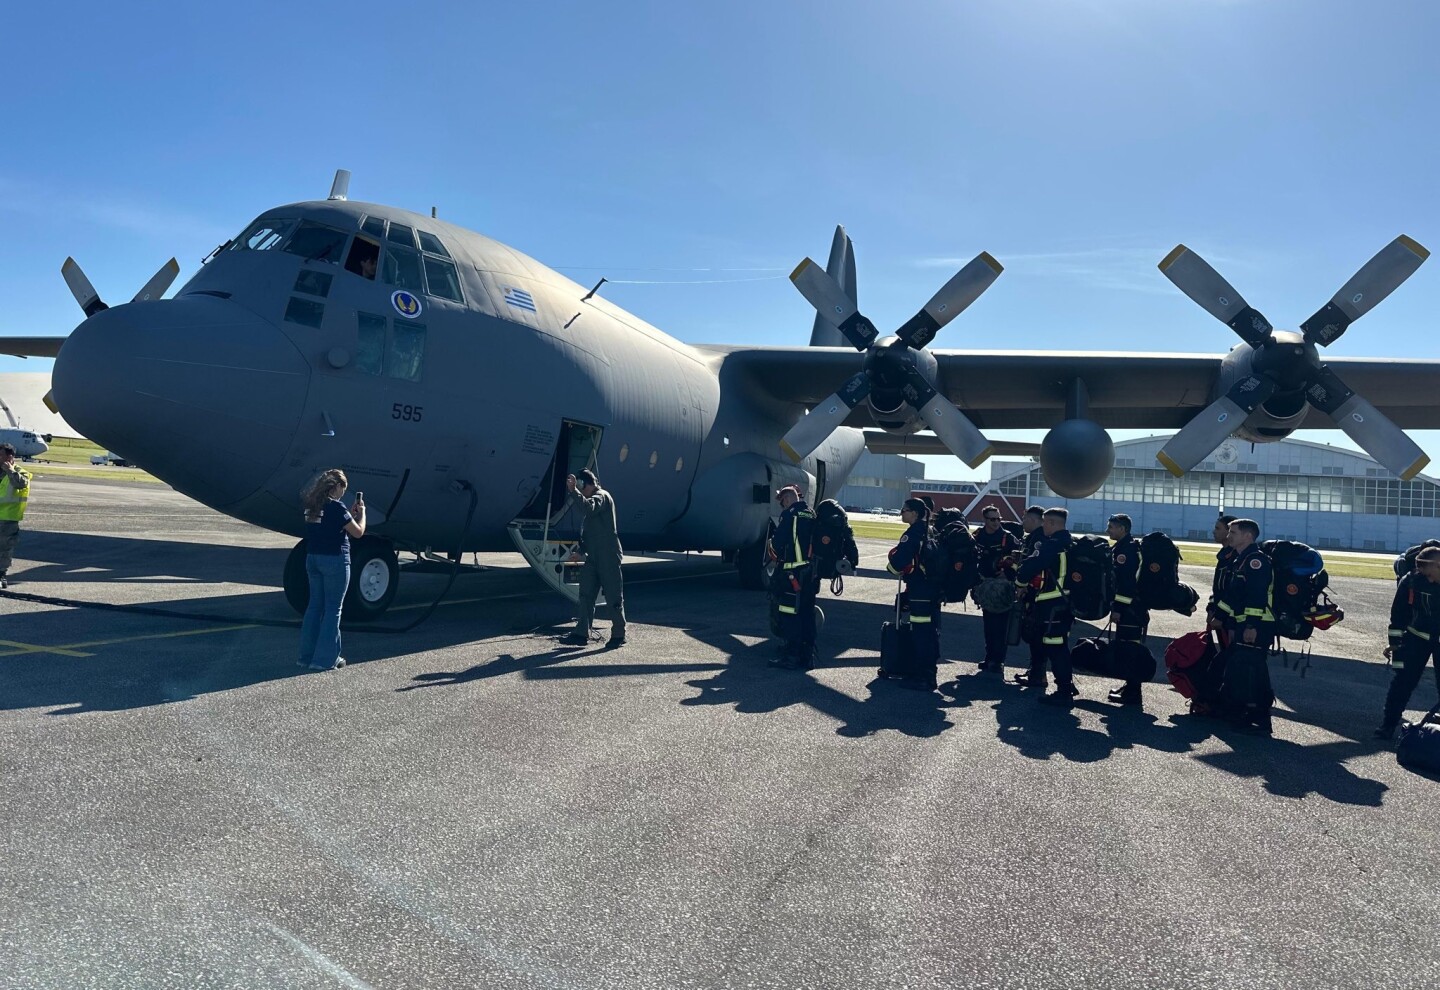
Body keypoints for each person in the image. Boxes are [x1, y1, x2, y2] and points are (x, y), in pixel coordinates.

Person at [1208, 518, 1275, 734]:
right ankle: (1248, 713)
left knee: (1253, 671)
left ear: (1248, 536)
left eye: (1233, 533)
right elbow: (1234, 596)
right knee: (1244, 668)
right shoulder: (1242, 559)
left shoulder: (1256, 561)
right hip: (1244, 623)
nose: (1229, 536)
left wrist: (1251, 626)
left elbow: (1256, 597)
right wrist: (1219, 615)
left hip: (1257, 625)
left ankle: (1259, 718)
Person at [298, 468, 365, 671]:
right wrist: (362, 515)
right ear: (336, 486)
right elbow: (358, 532)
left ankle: (306, 656)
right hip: (334, 560)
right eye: (343, 488)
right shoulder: (337, 507)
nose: (343, 493)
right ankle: (325, 659)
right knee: (333, 610)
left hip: (313, 558)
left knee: (314, 607)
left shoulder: (311, 506)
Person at [1013, 507, 1078, 705]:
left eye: (1045, 523)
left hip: (1052, 604)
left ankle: (1064, 691)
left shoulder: (1052, 545)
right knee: (1059, 646)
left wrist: (1019, 584)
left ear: (1051, 523)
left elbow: (1030, 565)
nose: (1043, 526)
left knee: (1055, 648)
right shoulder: (1071, 543)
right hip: (1066, 604)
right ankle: (1066, 685)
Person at [1376, 546, 1440, 740]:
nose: (1428, 580)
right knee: (1402, 682)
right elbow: (1399, 614)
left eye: (1431, 575)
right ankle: (1388, 725)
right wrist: (1394, 643)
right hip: (1415, 638)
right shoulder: (1411, 580)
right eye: (1425, 575)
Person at [559, 469, 627, 647]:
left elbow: (588, 507)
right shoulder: (592, 501)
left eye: (581, 488)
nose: (581, 492)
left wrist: (573, 491)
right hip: (593, 556)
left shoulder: (602, 497)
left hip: (608, 556)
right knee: (586, 594)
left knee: (613, 595)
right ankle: (581, 634)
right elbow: (589, 535)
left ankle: (619, 635)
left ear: (584, 484)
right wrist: (579, 552)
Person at [887, 497, 940, 691]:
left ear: (915, 514)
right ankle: (929, 674)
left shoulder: (912, 534)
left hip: (919, 591)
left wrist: (891, 568)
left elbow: (899, 561)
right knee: (931, 632)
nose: (902, 513)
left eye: (904, 510)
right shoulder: (932, 531)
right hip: (932, 590)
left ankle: (923, 677)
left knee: (921, 634)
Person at [767, 485, 818, 669]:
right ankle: (807, 656)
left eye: (782, 501)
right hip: (810, 574)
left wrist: (771, 547)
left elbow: (777, 544)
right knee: (807, 614)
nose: (782, 504)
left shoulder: (789, 515)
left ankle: (791, 656)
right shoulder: (811, 513)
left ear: (787, 498)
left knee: (789, 615)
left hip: (792, 574)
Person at [973, 506, 1021, 672]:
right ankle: (989, 657)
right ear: (985, 520)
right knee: (988, 624)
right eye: (992, 519)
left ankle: (998, 660)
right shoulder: (978, 536)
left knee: (1000, 625)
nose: (996, 522)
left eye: (998, 519)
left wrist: (1007, 573)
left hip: (1002, 587)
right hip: (985, 586)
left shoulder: (1007, 538)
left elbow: (1019, 558)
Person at [1106, 513, 1148, 705]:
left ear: (1122, 529)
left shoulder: (1126, 551)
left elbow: (1127, 584)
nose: (1108, 530)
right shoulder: (1123, 547)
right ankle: (1130, 686)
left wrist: (1118, 608)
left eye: (1112, 527)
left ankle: (1133, 692)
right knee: (1127, 647)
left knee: (1130, 649)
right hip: (1132, 608)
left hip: (1131, 610)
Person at [0, 442, 31, 589]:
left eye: (1, 455)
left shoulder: (20, 472)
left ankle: (1, 575)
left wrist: (10, 471)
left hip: (7, 519)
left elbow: (21, 484)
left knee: (4, 548)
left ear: (10, 456)